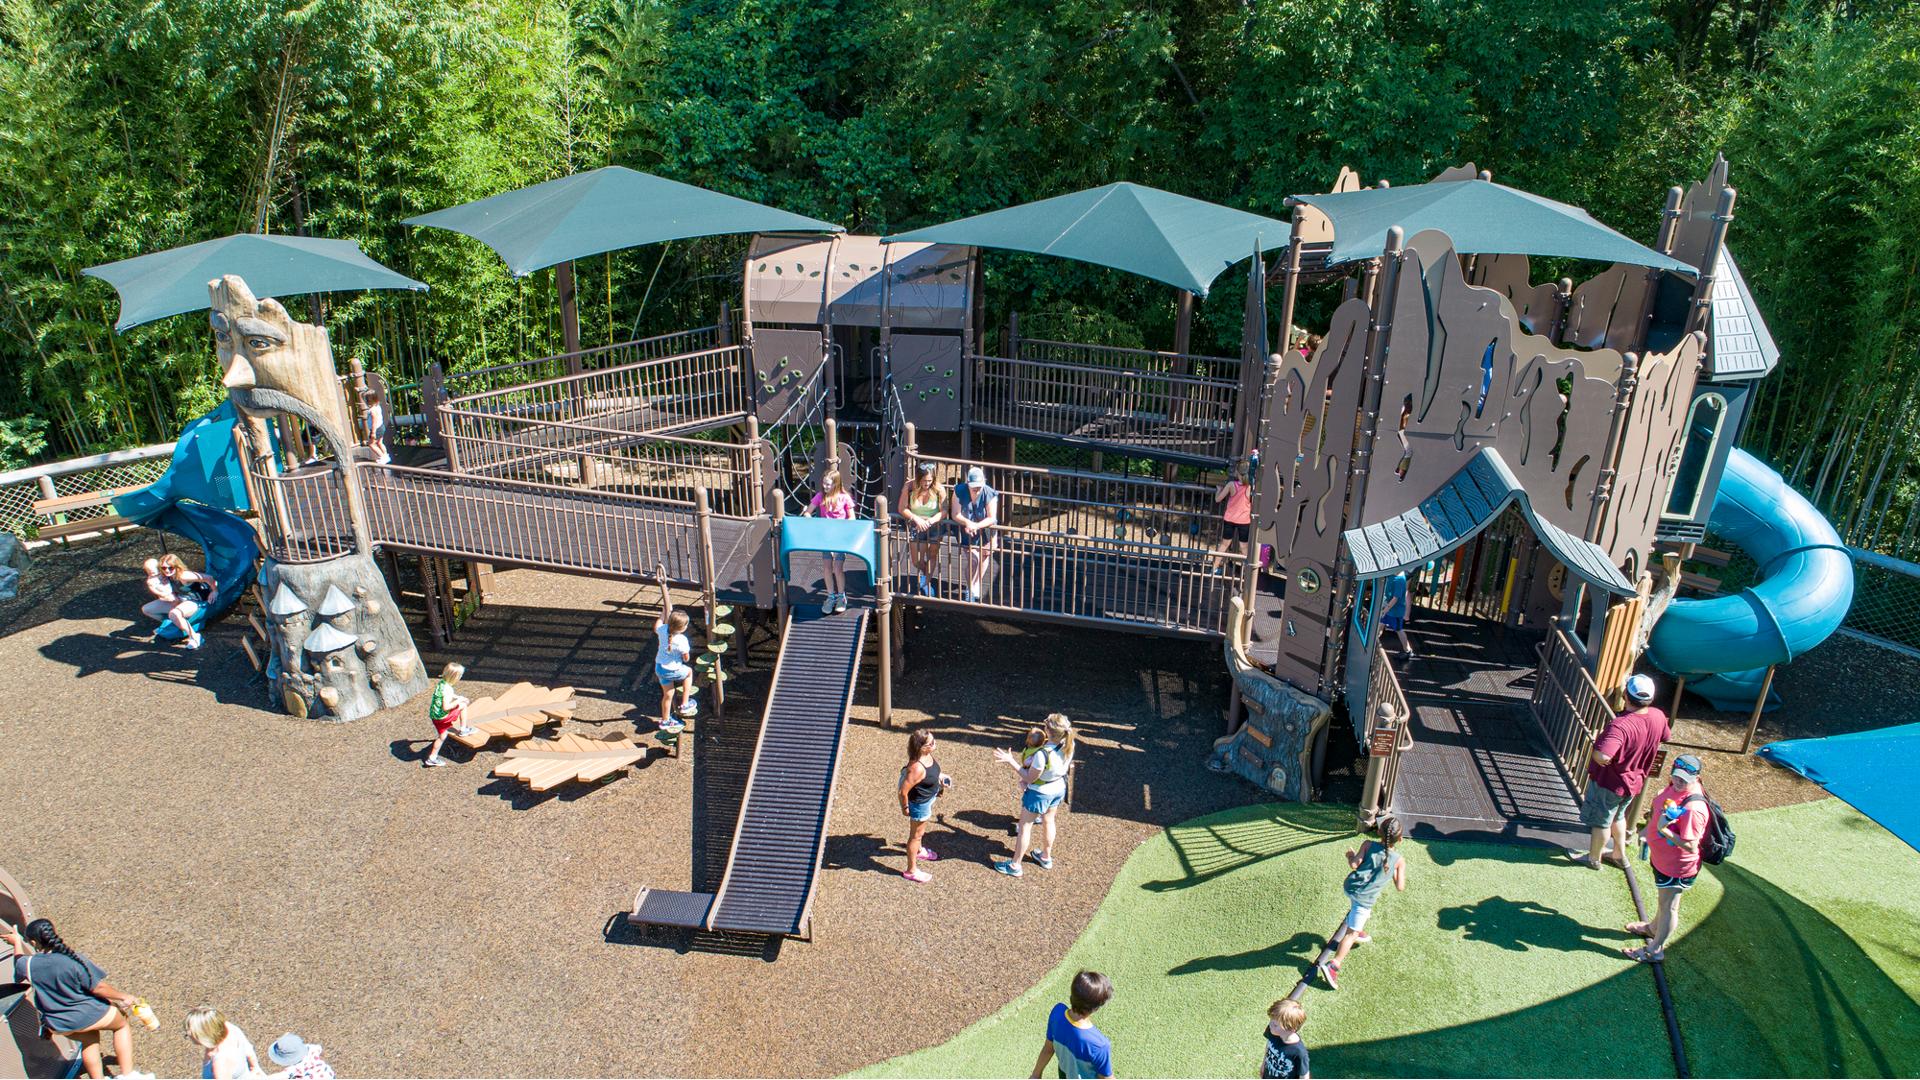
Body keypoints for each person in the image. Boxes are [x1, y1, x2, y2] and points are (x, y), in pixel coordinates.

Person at [2, 918, 148, 1080]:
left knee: (90, 1038)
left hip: (58, 1024)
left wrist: (16, 942)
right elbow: (98, 988)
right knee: (121, 1024)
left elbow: (18, 965)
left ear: (35, 942)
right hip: (86, 1015)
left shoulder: (28, 965)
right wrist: (124, 997)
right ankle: (128, 1075)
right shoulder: (72, 959)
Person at [1568, 673, 1670, 871]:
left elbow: (1603, 756)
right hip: (1634, 782)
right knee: (1619, 817)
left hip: (1611, 783)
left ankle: (1593, 859)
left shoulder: (1621, 725)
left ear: (1625, 694)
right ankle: (1618, 855)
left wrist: (1597, 746)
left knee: (1601, 822)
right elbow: (1666, 735)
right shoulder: (1658, 715)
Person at [1626, 754, 1709, 963]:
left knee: (1669, 907)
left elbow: (1690, 845)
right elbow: (1660, 809)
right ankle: (1654, 928)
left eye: (1684, 780)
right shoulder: (1674, 787)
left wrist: (1663, 831)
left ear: (1696, 778)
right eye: (1676, 777)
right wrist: (1648, 831)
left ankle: (1656, 950)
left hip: (1677, 867)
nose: (1678, 782)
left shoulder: (1694, 809)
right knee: (1663, 903)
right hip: (1664, 860)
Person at [1317, 815, 1407, 991]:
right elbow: (1400, 887)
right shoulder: (1399, 861)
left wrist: (1350, 855)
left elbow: (1354, 864)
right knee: (1350, 934)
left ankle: (1357, 926)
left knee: (1358, 911)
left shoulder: (1367, 845)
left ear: (1379, 833)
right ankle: (1333, 965)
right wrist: (1395, 870)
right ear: (1400, 839)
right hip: (1364, 900)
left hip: (1350, 887)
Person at [992, 714, 1075, 878]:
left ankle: (1015, 865)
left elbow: (1029, 777)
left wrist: (1010, 761)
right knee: (1049, 820)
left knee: (1025, 827)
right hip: (1058, 787)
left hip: (1040, 793)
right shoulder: (1069, 743)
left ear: (1047, 730)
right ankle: (1046, 857)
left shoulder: (1042, 755)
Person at [1030, 970, 1113, 1079]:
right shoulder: (1099, 1044)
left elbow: (1048, 1049)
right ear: (1096, 1008)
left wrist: (1036, 1074)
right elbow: (1105, 1078)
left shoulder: (1057, 1013)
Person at [898, 729, 952, 883]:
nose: (935, 744)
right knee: (916, 836)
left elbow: (931, 773)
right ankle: (911, 870)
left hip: (928, 799)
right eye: (931, 743)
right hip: (920, 805)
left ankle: (920, 850)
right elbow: (903, 791)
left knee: (919, 834)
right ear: (921, 747)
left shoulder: (927, 756)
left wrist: (940, 777)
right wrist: (905, 808)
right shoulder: (917, 768)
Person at [651, 566, 698, 733]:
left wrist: (663, 612)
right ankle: (685, 703)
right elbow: (685, 658)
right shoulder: (682, 640)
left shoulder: (663, 630)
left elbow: (658, 624)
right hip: (673, 670)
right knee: (689, 672)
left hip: (660, 669)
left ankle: (665, 720)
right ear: (683, 627)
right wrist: (684, 657)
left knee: (668, 695)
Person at [805, 469, 857, 614]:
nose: (825, 486)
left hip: (840, 538)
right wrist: (810, 519)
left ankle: (841, 596)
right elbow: (808, 511)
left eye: (828, 484)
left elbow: (852, 517)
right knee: (827, 567)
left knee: (837, 568)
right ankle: (830, 596)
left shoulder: (844, 497)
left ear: (836, 484)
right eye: (824, 483)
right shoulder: (821, 496)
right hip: (826, 538)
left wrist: (845, 528)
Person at [142, 554, 214, 650]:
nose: (167, 570)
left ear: (177, 567)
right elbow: (161, 591)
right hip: (181, 600)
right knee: (147, 609)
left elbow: (208, 577)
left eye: (170, 568)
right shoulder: (163, 575)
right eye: (163, 568)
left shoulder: (184, 575)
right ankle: (174, 623)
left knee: (174, 613)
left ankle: (195, 636)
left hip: (196, 602)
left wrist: (214, 591)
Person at [951, 466, 999, 602]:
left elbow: (991, 517)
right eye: (974, 487)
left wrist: (975, 526)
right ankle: (970, 587)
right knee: (974, 559)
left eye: (979, 487)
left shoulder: (989, 493)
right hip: (967, 529)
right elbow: (955, 514)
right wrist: (968, 523)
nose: (977, 490)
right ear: (968, 484)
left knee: (984, 556)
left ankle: (976, 583)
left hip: (986, 528)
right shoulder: (959, 491)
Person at [901, 462, 946, 597]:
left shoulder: (939, 489)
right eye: (924, 481)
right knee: (916, 561)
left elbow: (944, 511)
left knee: (932, 555)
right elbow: (902, 508)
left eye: (929, 481)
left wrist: (932, 520)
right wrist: (916, 519)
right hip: (917, 526)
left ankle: (926, 582)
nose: (927, 484)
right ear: (918, 478)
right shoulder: (909, 487)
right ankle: (926, 575)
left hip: (934, 526)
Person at [422, 661, 478, 768]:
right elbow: (446, 707)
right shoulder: (448, 689)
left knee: (442, 736)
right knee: (463, 705)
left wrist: (457, 697)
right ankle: (463, 730)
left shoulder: (442, 683)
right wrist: (459, 700)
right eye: (460, 675)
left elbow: (447, 696)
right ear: (455, 676)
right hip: (443, 717)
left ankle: (432, 758)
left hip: (435, 716)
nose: (460, 677)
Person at [187, 1007, 262, 1080]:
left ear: (206, 1032)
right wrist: (255, 1069)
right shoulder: (227, 1027)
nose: (188, 1033)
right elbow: (249, 1050)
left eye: (193, 1030)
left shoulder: (220, 1063)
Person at [1211, 461, 1253, 568]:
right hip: (1244, 521)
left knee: (1224, 544)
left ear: (1237, 472)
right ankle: (1249, 574)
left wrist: (1218, 490)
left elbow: (1217, 499)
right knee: (1244, 547)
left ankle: (1214, 568)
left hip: (1230, 519)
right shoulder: (1250, 487)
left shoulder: (1231, 485)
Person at [1261, 998, 1310, 1079]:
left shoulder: (1299, 1052)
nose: (1270, 1024)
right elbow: (1269, 1045)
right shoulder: (1273, 1032)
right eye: (1271, 1020)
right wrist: (1264, 1064)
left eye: (1275, 1024)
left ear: (1291, 1028)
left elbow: (1304, 1075)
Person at [265, 1032, 335, 1080]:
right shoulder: (311, 1050)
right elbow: (317, 1048)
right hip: (327, 1074)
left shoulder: (297, 1068)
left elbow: (282, 1076)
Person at [1379, 571, 1414, 659]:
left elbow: (1395, 598)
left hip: (1395, 612)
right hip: (1388, 608)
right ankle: (1374, 642)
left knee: (1398, 629)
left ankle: (1408, 650)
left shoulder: (1400, 580)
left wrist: (1386, 609)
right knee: (1381, 624)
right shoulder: (1392, 574)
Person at [363, 386, 392, 465]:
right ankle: (386, 455)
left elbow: (374, 422)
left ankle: (383, 457)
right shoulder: (377, 406)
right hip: (381, 427)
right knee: (380, 443)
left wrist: (373, 432)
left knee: (371, 444)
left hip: (376, 429)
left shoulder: (372, 410)